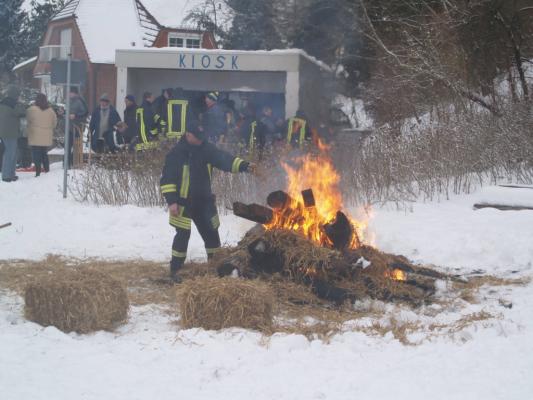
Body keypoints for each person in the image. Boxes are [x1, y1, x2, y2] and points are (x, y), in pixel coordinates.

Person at [160, 119, 256, 283]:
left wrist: (245, 166)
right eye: (197, 136)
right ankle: (175, 270)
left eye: (202, 136)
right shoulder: (176, 154)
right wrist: (172, 202)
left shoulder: (206, 149)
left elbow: (225, 160)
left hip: (204, 202)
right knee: (183, 235)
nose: (200, 139)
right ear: (188, 135)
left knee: (212, 235)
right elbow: (167, 180)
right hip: (182, 203)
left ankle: (215, 267)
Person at [26, 93, 57, 177]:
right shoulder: (51, 111)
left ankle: (38, 171)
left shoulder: (31, 109)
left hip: (35, 134)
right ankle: (47, 170)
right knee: (44, 153)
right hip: (46, 135)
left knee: (36, 154)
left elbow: (27, 121)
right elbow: (54, 123)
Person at [0, 85, 26, 182]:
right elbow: (22, 113)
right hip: (10, 132)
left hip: (4, 131)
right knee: (10, 153)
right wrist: (21, 103)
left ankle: (11, 174)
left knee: (12, 153)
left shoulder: (3, 102)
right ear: (15, 95)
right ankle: (7, 175)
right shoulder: (13, 104)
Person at [67, 86, 88, 166]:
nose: (68, 94)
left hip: (78, 127)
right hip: (70, 127)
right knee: (68, 145)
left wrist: (76, 115)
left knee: (76, 145)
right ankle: (68, 162)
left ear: (74, 93)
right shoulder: (70, 101)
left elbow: (85, 112)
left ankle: (76, 162)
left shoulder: (80, 101)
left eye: (70, 92)